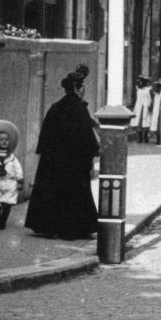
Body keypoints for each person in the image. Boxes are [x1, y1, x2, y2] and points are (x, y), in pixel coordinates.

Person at [25, 66, 99, 240]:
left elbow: (46, 136)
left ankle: (51, 226)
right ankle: (72, 228)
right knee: (74, 193)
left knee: (54, 191)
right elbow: (86, 137)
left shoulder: (56, 107)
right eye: (83, 86)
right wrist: (90, 156)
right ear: (77, 88)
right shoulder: (80, 109)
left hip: (54, 161)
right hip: (74, 162)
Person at [0, 120, 24, 230]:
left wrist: (20, 180)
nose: (4, 142)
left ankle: (3, 219)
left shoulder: (12, 157)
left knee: (8, 202)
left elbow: (18, 169)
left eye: (6, 140)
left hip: (9, 182)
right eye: (1, 139)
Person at [130, 76, 153, 143]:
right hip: (139, 107)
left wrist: (150, 105)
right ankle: (140, 137)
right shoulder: (138, 89)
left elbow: (150, 98)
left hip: (146, 106)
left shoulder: (148, 89)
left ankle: (145, 136)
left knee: (146, 121)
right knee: (139, 122)